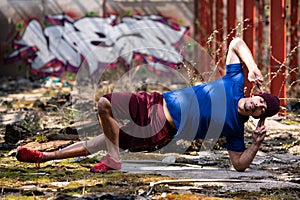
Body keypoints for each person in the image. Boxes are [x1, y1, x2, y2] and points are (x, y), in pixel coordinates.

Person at [16, 37, 280, 172]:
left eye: (260, 110)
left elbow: (239, 164)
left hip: (160, 128)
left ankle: (47, 157)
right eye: (259, 100)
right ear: (256, 93)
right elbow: (235, 43)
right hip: (153, 101)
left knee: (101, 138)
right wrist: (253, 66)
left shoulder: (235, 129)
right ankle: (107, 157)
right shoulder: (235, 83)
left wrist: (255, 144)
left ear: (258, 116)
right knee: (105, 106)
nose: (256, 105)